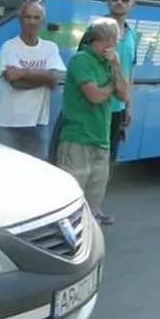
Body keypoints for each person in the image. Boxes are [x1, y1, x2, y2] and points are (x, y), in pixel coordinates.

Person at [59, 17, 129, 225]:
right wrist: (110, 87)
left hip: (101, 138)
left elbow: (124, 96)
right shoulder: (82, 60)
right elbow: (95, 96)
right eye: (116, 39)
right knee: (70, 199)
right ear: (108, 39)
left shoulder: (108, 63)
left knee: (93, 203)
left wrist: (116, 66)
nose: (116, 44)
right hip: (78, 138)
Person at [0, 0, 66, 160]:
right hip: (8, 124)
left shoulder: (50, 47)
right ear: (20, 20)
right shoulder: (9, 47)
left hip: (37, 124)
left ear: (42, 21)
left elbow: (56, 79)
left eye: (36, 18)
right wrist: (45, 76)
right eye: (27, 17)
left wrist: (23, 72)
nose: (32, 22)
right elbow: (15, 82)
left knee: (36, 175)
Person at [77, 0, 140, 168]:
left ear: (132, 5)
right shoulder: (95, 31)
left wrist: (128, 106)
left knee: (107, 161)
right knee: (87, 160)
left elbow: (130, 71)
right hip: (95, 106)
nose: (119, 2)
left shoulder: (131, 35)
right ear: (108, 2)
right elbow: (83, 65)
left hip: (117, 109)